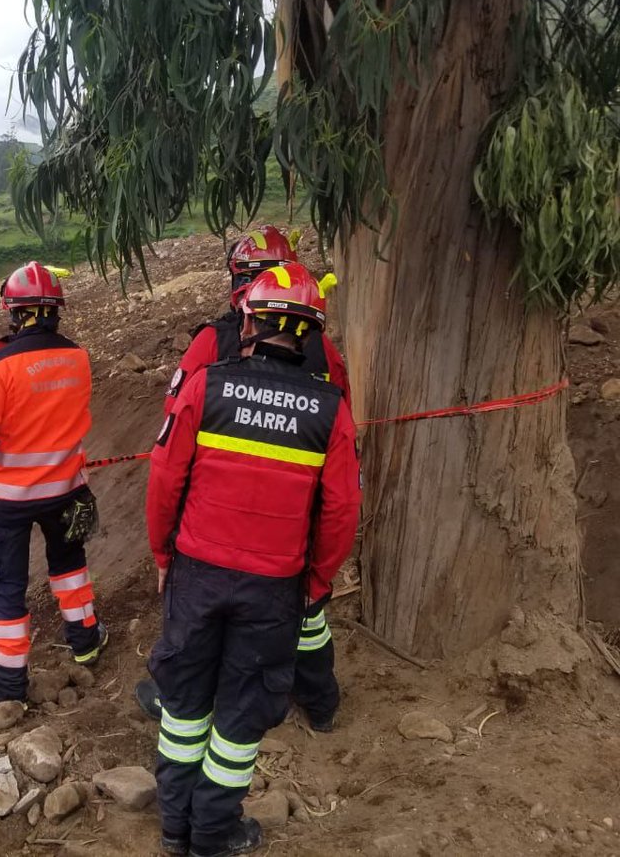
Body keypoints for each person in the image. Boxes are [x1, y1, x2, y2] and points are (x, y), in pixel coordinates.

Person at [145, 264, 361, 857]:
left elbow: (164, 478)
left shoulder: (205, 386)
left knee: (184, 704)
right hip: (274, 585)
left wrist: (163, 552)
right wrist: (318, 578)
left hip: (196, 573)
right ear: (310, 335)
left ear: (249, 322)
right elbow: (342, 508)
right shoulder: (330, 410)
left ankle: (174, 825)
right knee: (242, 712)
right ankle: (213, 832)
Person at [141, 226, 348, 732]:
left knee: (199, 626)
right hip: (294, 520)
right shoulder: (323, 349)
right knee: (303, 615)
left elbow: (174, 433)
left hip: (216, 521)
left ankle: (186, 701)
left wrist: (165, 548)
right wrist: (321, 574)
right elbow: (340, 439)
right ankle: (319, 700)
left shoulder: (214, 342)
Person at [0, 261, 107, 711]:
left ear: (15, 311)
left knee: (7, 586)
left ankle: (7, 684)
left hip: (10, 500)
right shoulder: (78, 357)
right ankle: (86, 640)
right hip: (66, 489)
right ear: (55, 310)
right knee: (70, 566)